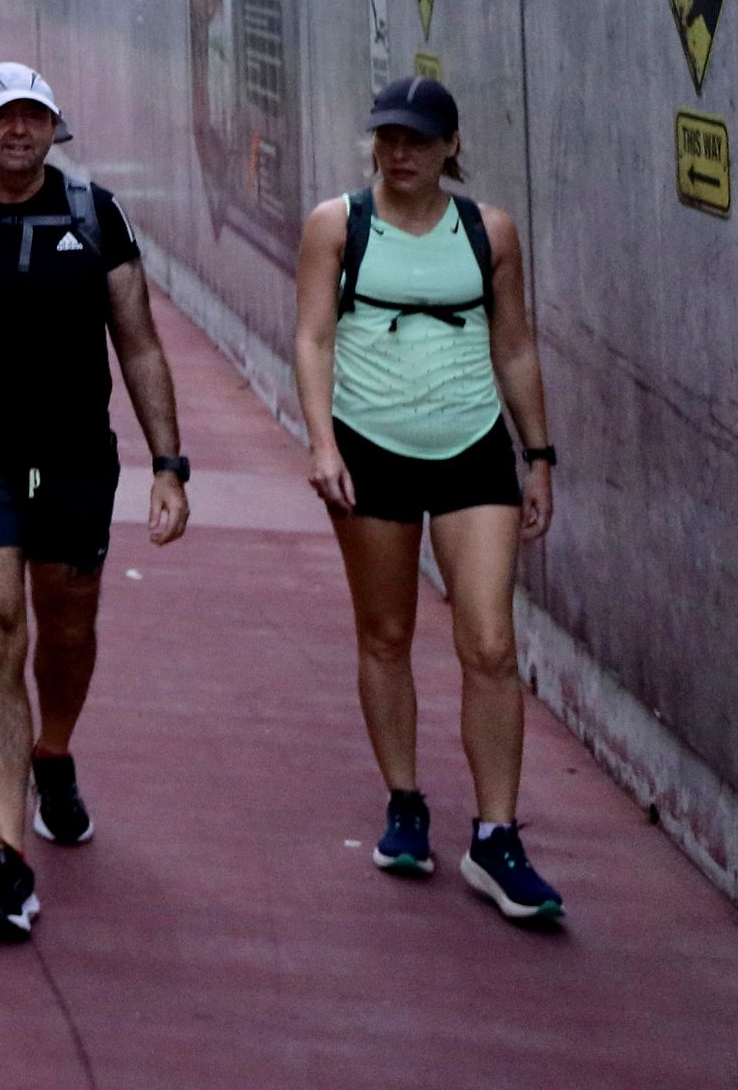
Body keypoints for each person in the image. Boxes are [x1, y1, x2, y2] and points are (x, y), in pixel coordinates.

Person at [0, 62, 191, 945]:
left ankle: (51, 751)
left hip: (71, 462)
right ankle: (8, 858)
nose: (19, 131)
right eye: (1, 118)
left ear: (53, 129)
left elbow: (137, 343)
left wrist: (168, 463)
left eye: (35, 117)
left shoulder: (95, 216)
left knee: (64, 625)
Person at [292, 74, 565, 924]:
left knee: (488, 642)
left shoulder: (490, 232)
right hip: (369, 449)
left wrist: (541, 456)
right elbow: (312, 336)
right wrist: (324, 443)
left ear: (451, 146)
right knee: (387, 633)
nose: (398, 152)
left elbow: (515, 345)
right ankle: (406, 804)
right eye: (386, 136)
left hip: (472, 450)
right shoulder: (338, 225)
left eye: (417, 138)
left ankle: (495, 837)